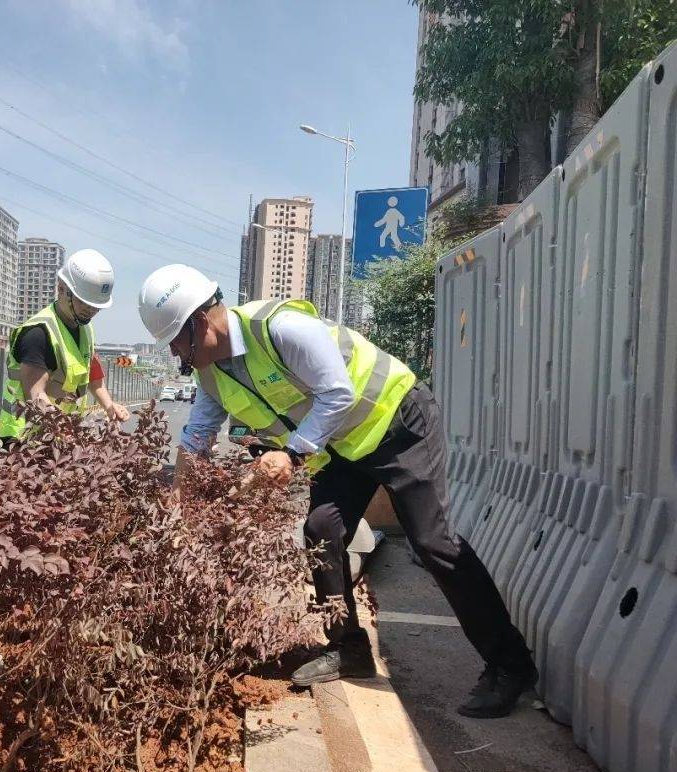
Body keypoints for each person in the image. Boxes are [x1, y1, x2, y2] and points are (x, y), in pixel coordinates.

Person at [137, 264, 538, 719]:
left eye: (175, 339)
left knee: (432, 543)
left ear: (201, 321)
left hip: (397, 423)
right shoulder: (211, 375)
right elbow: (196, 439)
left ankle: (511, 666)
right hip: (342, 448)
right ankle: (349, 648)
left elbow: (337, 394)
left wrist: (290, 454)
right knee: (321, 530)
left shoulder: (282, 328)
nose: (175, 353)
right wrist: (180, 512)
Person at [0, 249, 129, 446]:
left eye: (97, 306)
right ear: (61, 289)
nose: (91, 310)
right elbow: (36, 396)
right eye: (85, 302)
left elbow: (93, 378)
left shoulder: (86, 330)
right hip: (25, 438)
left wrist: (109, 406)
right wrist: (64, 430)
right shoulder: (39, 333)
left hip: (58, 434)